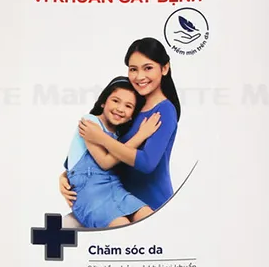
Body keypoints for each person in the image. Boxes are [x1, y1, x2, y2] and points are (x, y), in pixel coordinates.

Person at [60, 38, 181, 214]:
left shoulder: (165, 110)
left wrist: (101, 138)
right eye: (133, 69)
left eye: (148, 68)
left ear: (164, 68)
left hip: (151, 205)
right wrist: (66, 177)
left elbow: (147, 163)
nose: (139, 76)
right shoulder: (130, 106)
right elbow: (97, 153)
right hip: (114, 200)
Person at [65, 77, 161, 229]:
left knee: (149, 217)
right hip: (90, 195)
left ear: (132, 115)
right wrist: (141, 135)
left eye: (128, 106)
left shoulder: (118, 136)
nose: (120, 109)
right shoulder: (89, 123)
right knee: (121, 227)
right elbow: (105, 162)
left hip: (116, 189)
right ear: (103, 102)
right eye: (116, 101)